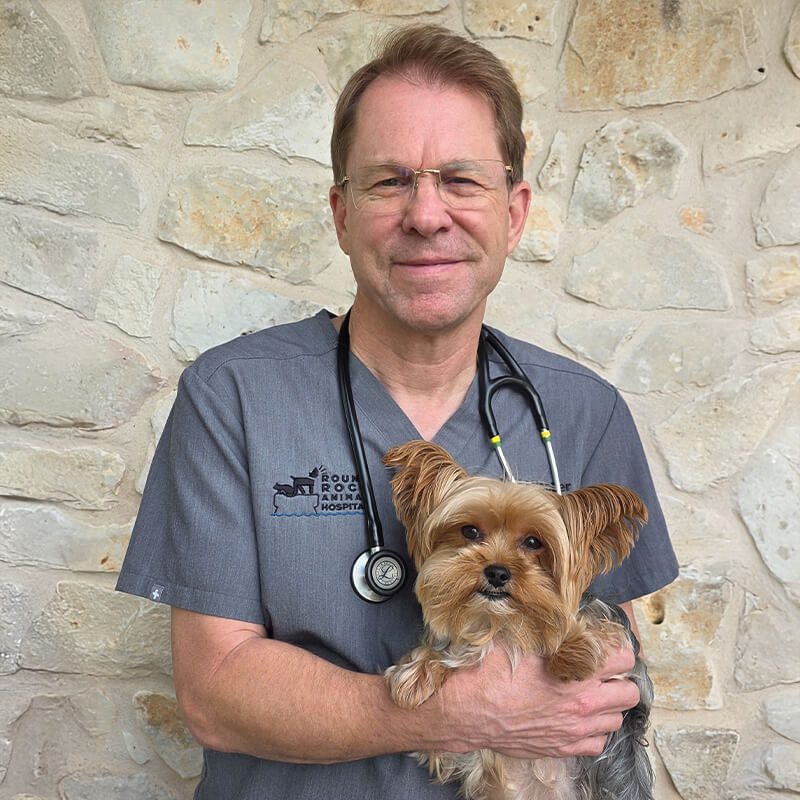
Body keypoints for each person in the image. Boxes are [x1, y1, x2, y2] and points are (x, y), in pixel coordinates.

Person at [117, 24, 678, 800]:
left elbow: (612, 674)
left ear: (514, 212)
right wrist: (456, 711)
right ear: (341, 213)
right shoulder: (233, 397)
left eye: (460, 179)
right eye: (388, 182)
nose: (425, 215)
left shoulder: (586, 413)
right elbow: (214, 694)